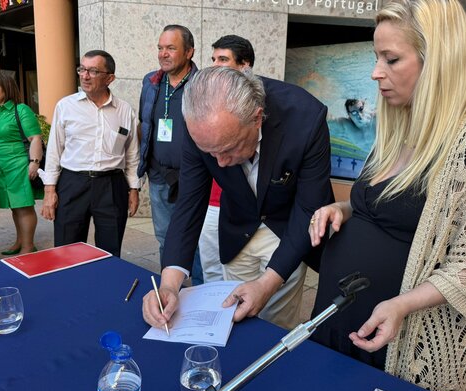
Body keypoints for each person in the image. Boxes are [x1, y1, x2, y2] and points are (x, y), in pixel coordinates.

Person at [308, 0, 466, 391]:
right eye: (376, 57)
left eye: (391, 59)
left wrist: (403, 305)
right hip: (340, 322)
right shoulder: (398, 126)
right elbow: (385, 207)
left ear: (438, 61)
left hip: (402, 346)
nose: (376, 72)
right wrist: (343, 209)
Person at [142, 66, 333, 330]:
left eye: (229, 149)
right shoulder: (198, 122)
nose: (220, 163)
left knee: (276, 323)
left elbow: (309, 208)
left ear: (257, 118)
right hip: (237, 226)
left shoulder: (306, 117)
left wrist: (267, 284)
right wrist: (169, 285)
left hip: (287, 228)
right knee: (232, 317)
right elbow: (189, 204)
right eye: (211, 153)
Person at [41, 50, 139, 257]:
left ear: (109, 78)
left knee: (110, 251)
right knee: (67, 250)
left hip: (111, 185)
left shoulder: (124, 110)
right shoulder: (66, 106)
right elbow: (54, 151)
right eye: (82, 69)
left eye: (93, 71)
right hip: (72, 183)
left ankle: (106, 279)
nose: (85, 76)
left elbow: (132, 154)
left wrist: (134, 189)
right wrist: (49, 191)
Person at [137, 24, 203, 285]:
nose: (163, 54)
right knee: (166, 237)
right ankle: (171, 289)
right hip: (159, 176)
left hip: (194, 178)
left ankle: (199, 291)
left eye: (171, 48)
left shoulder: (203, 84)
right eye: (160, 48)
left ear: (189, 52)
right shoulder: (151, 82)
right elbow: (144, 124)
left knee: (197, 241)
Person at [200, 34, 256, 283]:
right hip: (212, 202)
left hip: (245, 205)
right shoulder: (204, 101)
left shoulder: (258, 103)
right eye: (213, 59)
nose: (215, 65)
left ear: (245, 65)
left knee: (241, 276)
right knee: (211, 270)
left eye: (223, 59)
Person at [0, 71, 44, 256]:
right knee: (14, 206)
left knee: (23, 206)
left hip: (18, 165)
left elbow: (35, 138)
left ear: (6, 87)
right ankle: (20, 241)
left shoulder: (21, 109)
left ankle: (28, 246)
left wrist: (34, 162)